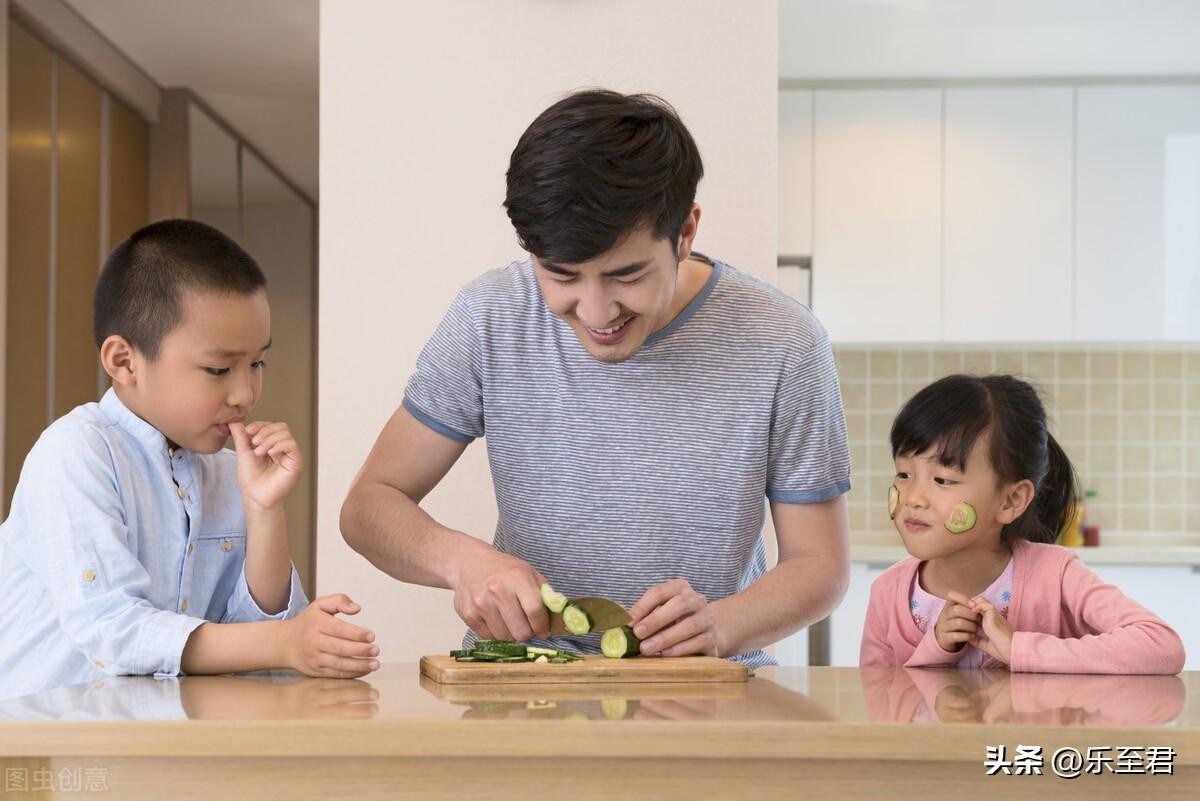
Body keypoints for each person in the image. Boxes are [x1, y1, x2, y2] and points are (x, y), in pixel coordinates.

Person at [341, 89, 851, 666]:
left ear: (685, 232)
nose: (596, 312)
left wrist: (720, 625)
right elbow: (369, 506)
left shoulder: (785, 341)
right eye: (562, 276)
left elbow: (820, 565)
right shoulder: (490, 316)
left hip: (706, 686)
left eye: (626, 275)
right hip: (525, 683)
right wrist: (462, 562)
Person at [0, 220, 378, 700]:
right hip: (43, 739)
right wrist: (284, 642)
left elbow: (250, 650)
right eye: (218, 369)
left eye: (256, 363)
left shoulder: (229, 472)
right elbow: (114, 629)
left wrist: (264, 511)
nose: (245, 393)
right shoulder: (75, 453)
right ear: (124, 361)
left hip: (157, 738)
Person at [860, 373, 1185, 674]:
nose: (913, 498)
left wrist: (1019, 648)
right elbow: (875, 698)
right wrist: (937, 648)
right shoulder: (887, 592)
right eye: (904, 474)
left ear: (1011, 501)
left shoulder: (1057, 575)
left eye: (942, 480)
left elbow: (1160, 645)